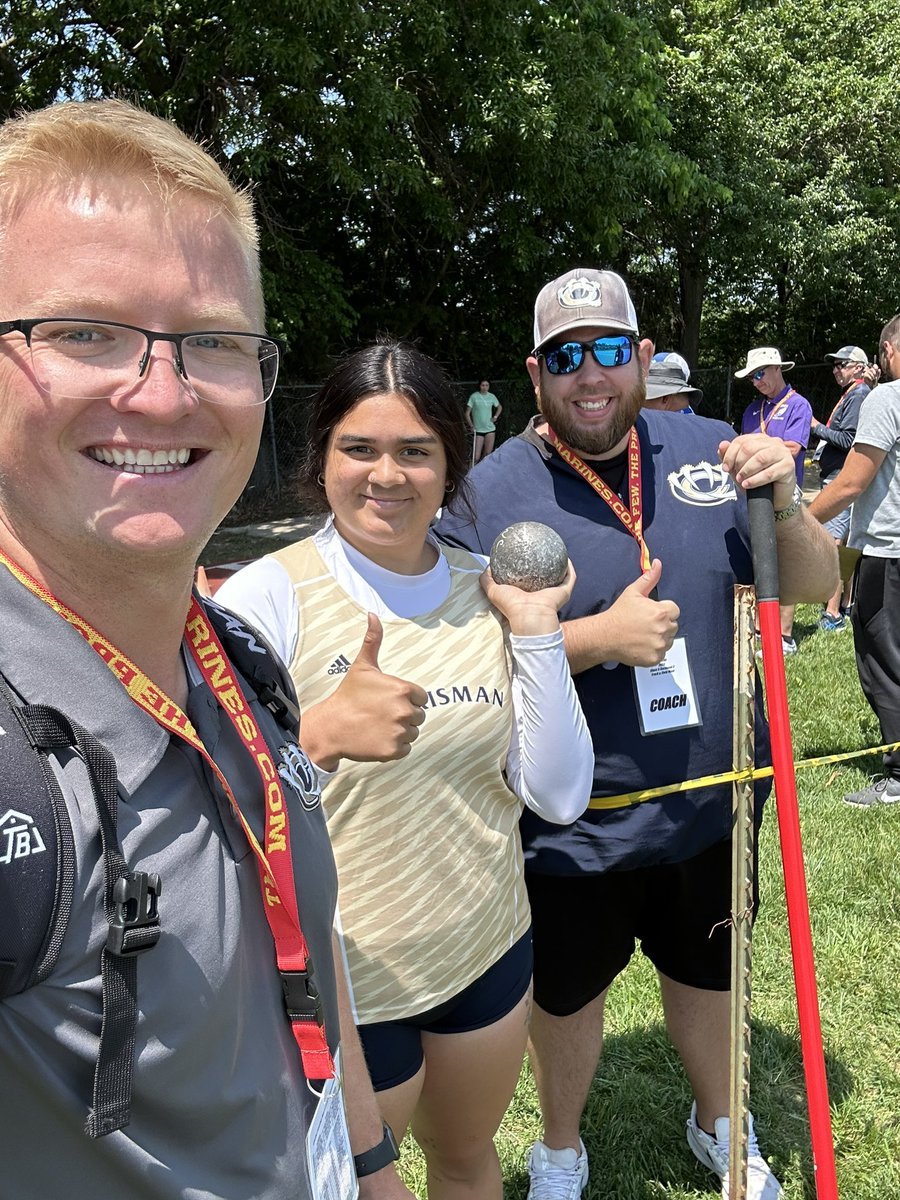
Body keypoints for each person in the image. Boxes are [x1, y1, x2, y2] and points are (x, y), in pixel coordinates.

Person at [0, 99, 414, 1200]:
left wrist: (373, 1169)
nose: (165, 391)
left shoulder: (231, 653)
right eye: (84, 330)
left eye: (215, 342)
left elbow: (309, 954)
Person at [436, 268, 838, 1200]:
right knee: (567, 991)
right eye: (568, 356)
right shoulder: (484, 495)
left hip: (711, 793)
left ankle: (718, 1123)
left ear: (642, 358)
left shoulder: (711, 449)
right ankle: (562, 1150)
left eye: (610, 350)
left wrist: (783, 502)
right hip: (571, 810)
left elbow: (815, 586)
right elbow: (457, 666)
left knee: (708, 967)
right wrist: (591, 640)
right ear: (536, 372)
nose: (591, 375)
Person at [217, 341, 594, 1199]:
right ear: (321, 459)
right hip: (348, 986)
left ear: (451, 466)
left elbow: (560, 794)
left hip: (486, 953)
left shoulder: (489, 589)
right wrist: (311, 737)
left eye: (415, 451)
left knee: (466, 1164)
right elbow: (208, 814)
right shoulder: (263, 600)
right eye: (360, 448)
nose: (387, 474)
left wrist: (535, 631)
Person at [809, 316, 900, 807]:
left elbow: (850, 483)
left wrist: (796, 520)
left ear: (886, 351)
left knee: (883, 663)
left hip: (886, 553)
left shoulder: (887, 398)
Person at [735, 347, 814, 655]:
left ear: (778, 369)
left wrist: (759, 449)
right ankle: (757, 627)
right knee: (756, 557)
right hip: (753, 491)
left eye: (759, 374)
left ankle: (783, 634)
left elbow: (793, 447)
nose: (756, 382)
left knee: (784, 561)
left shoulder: (798, 405)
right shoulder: (752, 409)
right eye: (751, 377)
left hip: (783, 492)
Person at [812, 344, 872, 631]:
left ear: (859, 367)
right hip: (834, 472)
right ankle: (846, 603)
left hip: (840, 475)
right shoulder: (853, 393)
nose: (837, 370)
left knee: (834, 543)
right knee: (844, 542)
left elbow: (848, 439)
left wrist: (815, 427)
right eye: (834, 365)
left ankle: (832, 612)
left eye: (842, 364)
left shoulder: (859, 394)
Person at [466, 378, 503, 461]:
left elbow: (499, 407)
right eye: (483, 385)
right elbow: (467, 413)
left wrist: (495, 417)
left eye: (486, 385)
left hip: (490, 429)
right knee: (475, 457)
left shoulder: (492, 396)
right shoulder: (474, 396)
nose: (484, 387)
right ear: (479, 386)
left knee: (487, 455)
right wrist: (471, 426)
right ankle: (470, 471)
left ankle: (482, 471)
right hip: (478, 430)